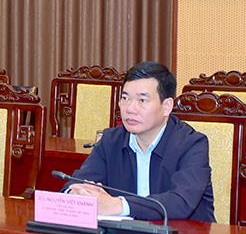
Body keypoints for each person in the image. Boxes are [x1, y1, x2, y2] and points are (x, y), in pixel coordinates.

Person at [68, 61, 215, 221]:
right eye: (125, 98)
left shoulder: (192, 144)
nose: (130, 108)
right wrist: (76, 193)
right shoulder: (110, 140)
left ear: (166, 106)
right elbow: (76, 183)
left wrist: (119, 205)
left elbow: (180, 202)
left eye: (142, 100)